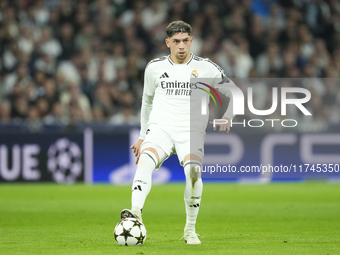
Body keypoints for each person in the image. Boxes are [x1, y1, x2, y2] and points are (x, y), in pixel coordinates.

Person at [120, 21, 236, 244]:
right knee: (145, 160)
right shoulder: (154, 68)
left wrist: (228, 116)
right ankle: (136, 212)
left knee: (193, 175)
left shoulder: (206, 68)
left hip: (190, 132)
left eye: (185, 41)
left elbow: (235, 93)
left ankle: (190, 230)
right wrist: (143, 136)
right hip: (161, 128)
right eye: (176, 42)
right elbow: (147, 102)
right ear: (168, 43)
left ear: (191, 41)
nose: (181, 46)